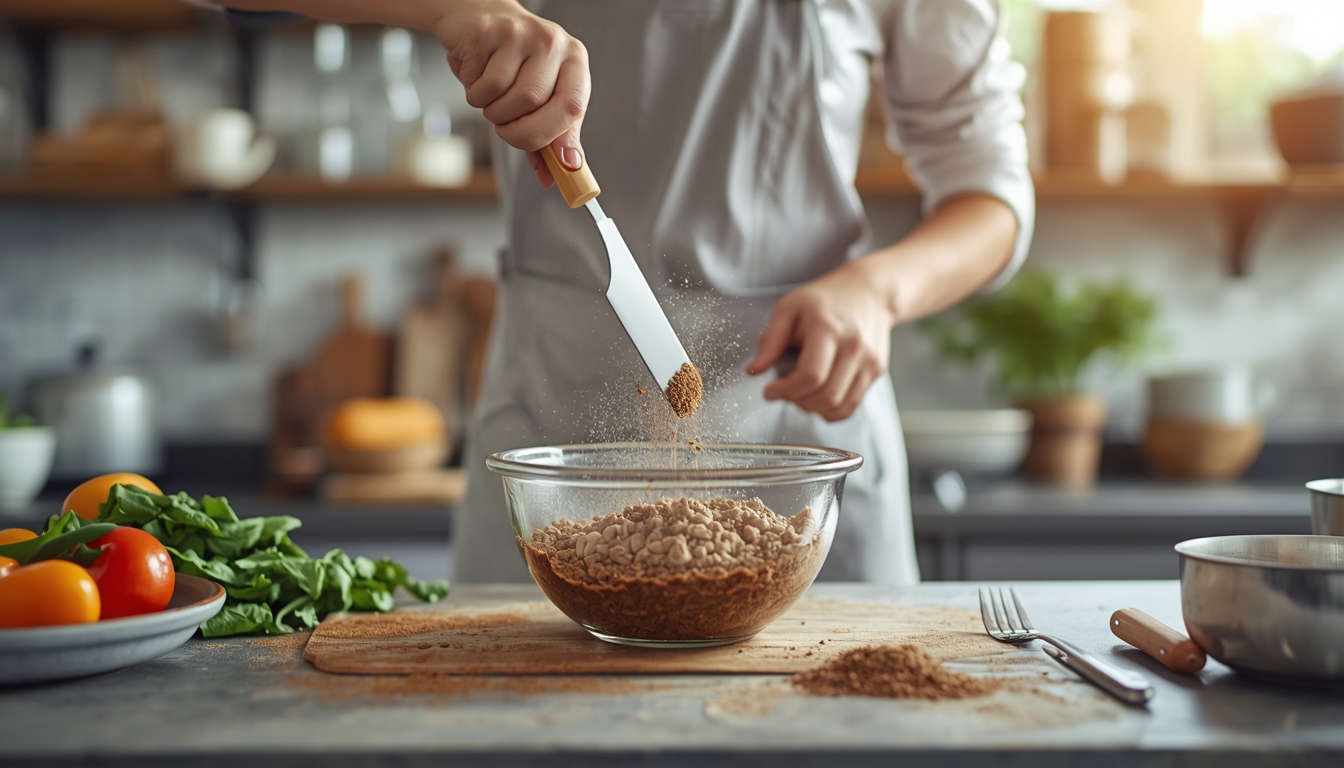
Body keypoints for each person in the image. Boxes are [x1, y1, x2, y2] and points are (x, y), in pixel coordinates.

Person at [223, 0, 1033, 585]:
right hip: (553, 426)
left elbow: (992, 193)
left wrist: (877, 291)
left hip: (806, 425)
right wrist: (455, 9)